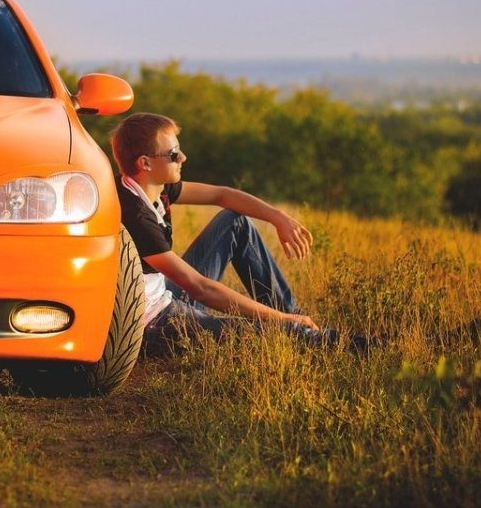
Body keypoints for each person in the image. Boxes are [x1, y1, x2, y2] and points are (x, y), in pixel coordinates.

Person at [110, 112, 364, 350]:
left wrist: (278, 218)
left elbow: (222, 195)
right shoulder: (135, 215)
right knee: (276, 331)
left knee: (235, 222)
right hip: (152, 325)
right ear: (145, 163)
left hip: (165, 295)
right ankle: (334, 340)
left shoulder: (154, 186)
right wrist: (279, 319)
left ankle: (296, 321)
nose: (183, 158)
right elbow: (200, 288)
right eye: (173, 154)